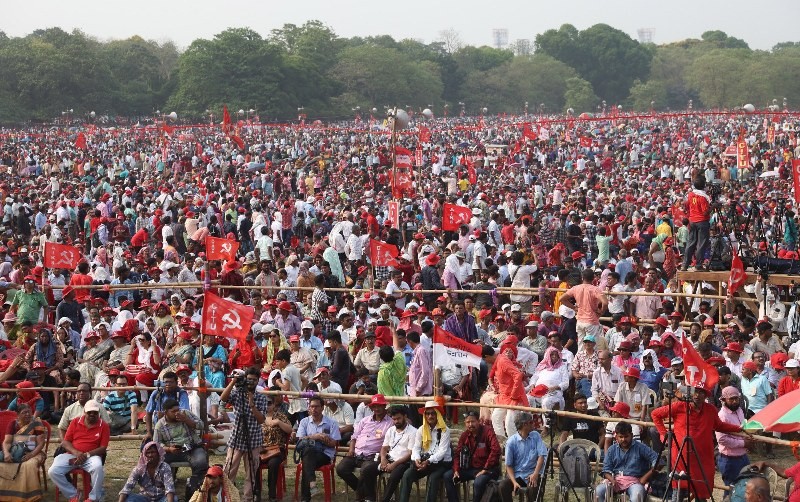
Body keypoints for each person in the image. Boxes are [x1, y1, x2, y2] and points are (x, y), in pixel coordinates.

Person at [652, 385, 749, 500]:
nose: (697, 395)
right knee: (678, 491)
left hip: (703, 457)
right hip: (681, 456)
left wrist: (739, 428)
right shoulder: (679, 406)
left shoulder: (711, 409)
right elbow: (655, 414)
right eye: (695, 392)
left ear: (706, 395)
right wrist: (664, 435)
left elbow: (719, 425)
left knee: (702, 490)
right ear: (690, 393)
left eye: (701, 393)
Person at [219, 367, 268, 502]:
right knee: (229, 470)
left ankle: (248, 498)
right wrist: (233, 381)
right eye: (249, 379)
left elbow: (261, 420)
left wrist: (252, 404)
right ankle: (226, 497)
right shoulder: (238, 392)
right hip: (236, 438)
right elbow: (223, 398)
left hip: (254, 440)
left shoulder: (261, 398)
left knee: (251, 474)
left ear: (258, 381)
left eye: (254, 380)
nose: (251, 382)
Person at [48, 399, 110, 502]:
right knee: (53, 471)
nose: (92, 414)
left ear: (98, 413)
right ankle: (73, 494)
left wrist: (86, 455)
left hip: (91, 457)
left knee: (98, 467)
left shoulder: (104, 425)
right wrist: (77, 453)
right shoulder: (75, 422)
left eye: (95, 412)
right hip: (72, 455)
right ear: (84, 412)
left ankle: (93, 498)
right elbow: (65, 442)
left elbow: (103, 448)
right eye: (89, 412)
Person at [336, 394, 394, 502]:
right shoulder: (364, 420)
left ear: (384, 406)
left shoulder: (390, 423)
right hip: (356, 453)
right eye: (374, 406)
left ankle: (367, 497)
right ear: (371, 407)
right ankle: (363, 492)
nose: (376, 408)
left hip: (373, 456)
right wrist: (351, 450)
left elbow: (389, 443)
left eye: (379, 406)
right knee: (341, 469)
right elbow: (354, 437)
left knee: (366, 470)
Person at [152, 398, 208, 499]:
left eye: (178, 410)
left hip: (192, 448)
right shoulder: (160, 425)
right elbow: (157, 444)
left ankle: (195, 488)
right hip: (172, 451)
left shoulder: (185, 414)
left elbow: (201, 425)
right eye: (173, 411)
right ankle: (164, 489)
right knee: (158, 462)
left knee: (201, 462)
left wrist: (186, 420)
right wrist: (168, 449)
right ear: (166, 412)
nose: (177, 413)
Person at [398, 401, 452, 502]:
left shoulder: (445, 430)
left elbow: (442, 452)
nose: (430, 416)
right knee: (407, 475)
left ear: (437, 415)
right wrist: (417, 459)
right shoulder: (421, 429)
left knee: (433, 478)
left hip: (441, 463)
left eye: (433, 413)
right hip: (424, 462)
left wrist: (428, 461)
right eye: (427, 413)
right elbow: (416, 447)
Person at [443, 410, 502, 502]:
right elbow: (457, 455)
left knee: (478, 482)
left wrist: (485, 469)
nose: (470, 424)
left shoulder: (488, 431)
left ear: (478, 421)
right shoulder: (464, 435)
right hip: (470, 468)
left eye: (473, 421)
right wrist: (456, 470)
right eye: (468, 422)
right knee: (448, 476)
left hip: (488, 469)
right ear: (465, 423)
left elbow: (496, 450)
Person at [595, 422, 658, 502]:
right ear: (616, 437)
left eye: (626, 436)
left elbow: (658, 460)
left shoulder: (640, 447)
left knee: (637, 495)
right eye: (620, 437)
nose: (623, 439)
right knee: (598, 491)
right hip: (616, 480)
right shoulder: (612, 449)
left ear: (631, 435)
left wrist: (645, 477)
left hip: (635, 482)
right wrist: (612, 480)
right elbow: (606, 469)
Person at [296, 395, 341, 502]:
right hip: (309, 455)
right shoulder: (304, 422)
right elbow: (300, 440)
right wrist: (316, 436)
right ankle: (311, 484)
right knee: (308, 452)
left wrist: (324, 439)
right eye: (311, 406)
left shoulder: (332, 423)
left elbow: (334, 443)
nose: (313, 409)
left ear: (322, 408)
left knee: (307, 460)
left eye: (316, 406)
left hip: (324, 455)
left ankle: (305, 498)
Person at [0, 402, 46, 502]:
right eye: (24, 412)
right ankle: (6, 495)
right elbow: (7, 442)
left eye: (29, 412)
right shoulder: (13, 424)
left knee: (28, 465)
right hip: (16, 451)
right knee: (3, 463)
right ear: (18, 414)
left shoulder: (36, 423)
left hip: (35, 452)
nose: (28, 415)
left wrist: (31, 455)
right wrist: (7, 453)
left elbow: (40, 444)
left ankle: (28, 496)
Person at [498, 411, 548, 502]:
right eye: (531, 422)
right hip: (518, 475)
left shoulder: (535, 436)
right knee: (503, 486)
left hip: (532, 474)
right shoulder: (511, 442)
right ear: (525, 424)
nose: (533, 424)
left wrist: (535, 474)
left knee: (532, 487)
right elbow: (508, 465)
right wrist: (514, 482)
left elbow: (541, 456)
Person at [260, 388, 292, 502]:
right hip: (261, 449)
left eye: (269, 403)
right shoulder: (259, 417)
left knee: (273, 464)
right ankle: (256, 493)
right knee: (253, 462)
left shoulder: (280, 416)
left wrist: (278, 422)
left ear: (274, 404)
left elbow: (289, 430)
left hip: (277, 450)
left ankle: (272, 494)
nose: (267, 406)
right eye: (265, 403)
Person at [559, 268, 607, 343]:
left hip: (580, 321)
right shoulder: (595, 289)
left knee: (581, 346)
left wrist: (574, 307)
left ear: (582, 278)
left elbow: (561, 299)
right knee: (592, 346)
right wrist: (601, 312)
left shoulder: (576, 288)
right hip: (591, 321)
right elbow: (605, 302)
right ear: (593, 278)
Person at [716, 386, 750, 487]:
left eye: (736, 398)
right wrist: (743, 443)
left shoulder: (739, 410)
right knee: (731, 489)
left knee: (744, 487)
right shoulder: (722, 416)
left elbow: (743, 427)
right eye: (731, 399)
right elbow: (722, 439)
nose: (735, 401)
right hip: (729, 459)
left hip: (742, 456)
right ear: (724, 400)